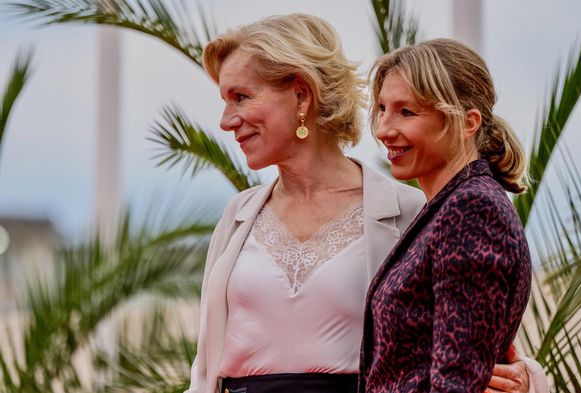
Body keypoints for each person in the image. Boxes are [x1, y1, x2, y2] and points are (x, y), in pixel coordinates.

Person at [185, 14, 545, 393]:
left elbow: (470, 340)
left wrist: (524, 380)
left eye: (240, 97)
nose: (226, 121)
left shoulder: (413, 212)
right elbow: (204, 370)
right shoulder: (237, 217)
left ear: (301, 94)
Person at [359, 38, 537, 392]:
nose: (383, 129)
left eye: (406, 112)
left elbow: (456, 381)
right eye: (382, 108)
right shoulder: (448, 206)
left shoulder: (472, 210)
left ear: (468, 122)